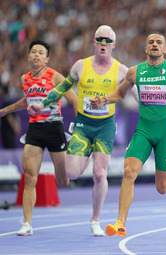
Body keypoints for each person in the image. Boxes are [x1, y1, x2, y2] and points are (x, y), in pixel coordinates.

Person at [89, 32, 166, 237]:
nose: (155, 44)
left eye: (159, 42)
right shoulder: (135, 71)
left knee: (163, 188)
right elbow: (120, 94)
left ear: (165, 49)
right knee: (129, 172)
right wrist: (104, 100)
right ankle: (120, 223)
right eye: (151, 42)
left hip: (165, 133)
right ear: (146, 49)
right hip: (143, 130)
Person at [27, 25, 131, 237]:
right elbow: (62, 88)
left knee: (99, 173)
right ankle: (74, 139)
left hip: (105, 126)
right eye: (100, 39)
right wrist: (42, 104)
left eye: (107, 41)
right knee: (72, 173)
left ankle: (95, 219)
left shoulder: (122, 70)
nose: (103, 43)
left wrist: (157, 110)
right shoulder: (80, 66)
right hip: (83, 125)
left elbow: (139, 95)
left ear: (114, 45)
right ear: (94, 42)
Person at [0, 39, 78, 235]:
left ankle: (73, 163)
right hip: (35, 130)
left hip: (54, 129)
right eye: (33, 51)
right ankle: (27, 223)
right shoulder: (24, 78)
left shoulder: (56, 77)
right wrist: (5, 110)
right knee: (29, 177)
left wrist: (79, 126)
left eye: (40, 52)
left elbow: (74, 99)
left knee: (63, 180)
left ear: (47, 58)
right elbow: (26, 100)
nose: (36, 55)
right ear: (28, 56)